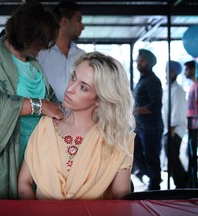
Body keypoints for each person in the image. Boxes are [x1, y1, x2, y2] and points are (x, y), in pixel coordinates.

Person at [0, 2, 64, 199]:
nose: (43, 48)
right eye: (40, 41)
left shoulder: (33, 63)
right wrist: (39, 106)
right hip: (1, 148)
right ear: (26, 36)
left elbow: (51, 101)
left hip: (34, 154)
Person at [18, 51, 136, 200]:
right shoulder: (44, 127)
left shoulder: (117, 140)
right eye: (73, 77)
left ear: (100, 99)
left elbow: (121, 196)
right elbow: (24, 183)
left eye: (83, 87)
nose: (70, 89)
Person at [37, 0, 85, 102]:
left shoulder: (82, 56)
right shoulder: (40, 53)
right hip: (46, 116)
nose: (82, 26)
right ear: (64, 22)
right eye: (78, 20)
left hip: (75, 116)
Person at [133, 49, 163, 190]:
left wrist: (134, 111)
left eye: (142, 60)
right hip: (140, 126)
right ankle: (153, 178)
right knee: (136, 154)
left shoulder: (152, 81)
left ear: (150, 63)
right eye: (138, 59)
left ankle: (155, 186)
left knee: (151, 157)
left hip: (152, 127)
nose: (138, 62)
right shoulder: (142, 80)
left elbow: (155, 105)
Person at [162, 60, 188, 188]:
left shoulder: (178, 90)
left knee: (173, 159)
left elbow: (177, 111)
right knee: (172, 159)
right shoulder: (169, 88)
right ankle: (184, 183)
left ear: (173, 73)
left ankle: (182, 185)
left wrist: (171, 129)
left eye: (168, 70)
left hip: (174, 130)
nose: (166, 73)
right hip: (168, 129)